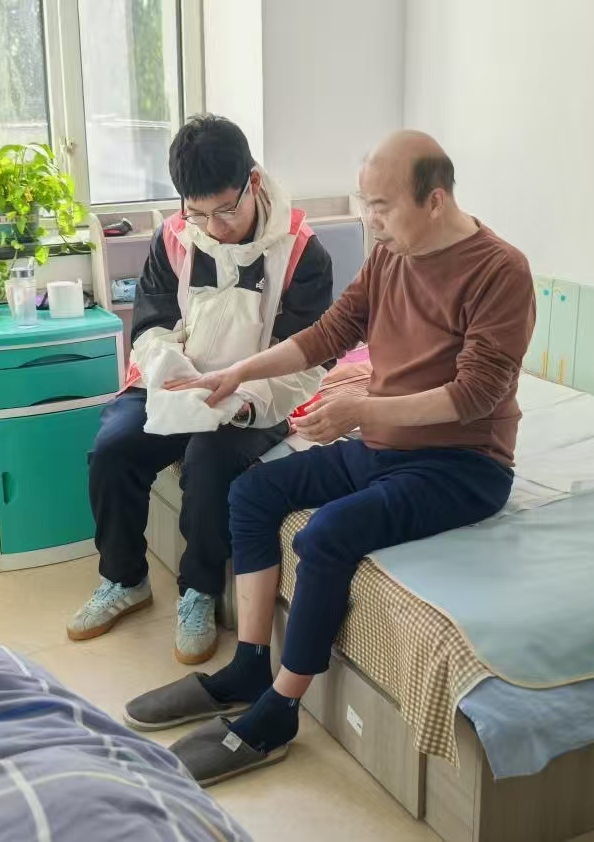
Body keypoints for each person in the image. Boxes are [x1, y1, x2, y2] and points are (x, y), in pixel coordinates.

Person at [122, 130, 536, 784]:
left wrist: (362, 411)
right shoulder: (392, 255)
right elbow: (330, 334)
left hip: (464, 466)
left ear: (434, 200)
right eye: (364, 204)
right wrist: (239, 373)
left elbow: (475, 395)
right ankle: (249, 666)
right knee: (252, 493)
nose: (370, 220)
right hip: (386, 445)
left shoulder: (499, 270)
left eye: (382, 206)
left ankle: (279, 713)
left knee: (325, 536)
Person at [68, 115, 334, 665]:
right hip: (179, 378)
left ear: (253, 182)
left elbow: (306, 360)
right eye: (198, 213)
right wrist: (174, 373)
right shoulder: (173, 238)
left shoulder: (303, 254)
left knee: (209, 460)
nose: (214, 228)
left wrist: (241, 402)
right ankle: (124, 579)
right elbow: (149, 328)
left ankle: (200, 590)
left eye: (226, 211)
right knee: (113, 448)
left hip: (257, 394)